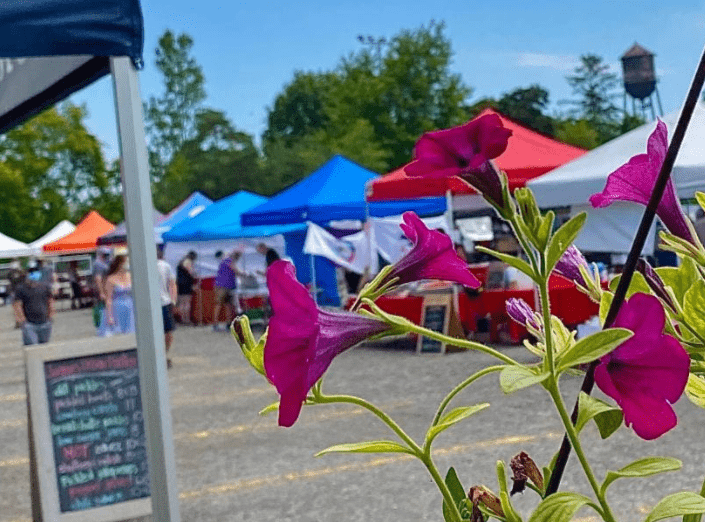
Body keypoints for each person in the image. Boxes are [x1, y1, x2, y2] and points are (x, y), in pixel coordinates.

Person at [13, 267, 54, 345]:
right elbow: (17, 305)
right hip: (29, 323)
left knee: (44, 346)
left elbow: (50, 301)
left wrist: (51, 315)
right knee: (32, 347)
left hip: (45, 322)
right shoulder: (21, 289)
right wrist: (22, 320)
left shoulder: (44, 287)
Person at [212, 251, 246, 331]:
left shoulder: (225, 260)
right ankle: (217, 324)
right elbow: (236, 270)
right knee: (221, 304)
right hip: (223, 286)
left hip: (225, 286)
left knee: (227, 305)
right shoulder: (229, 260)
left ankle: (226, 324)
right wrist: (244, 274)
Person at [157, 246, 177, 368]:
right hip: (158, 303)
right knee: (165, 332)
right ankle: (160, 356)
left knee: (168, 332)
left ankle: (163, 355)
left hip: (164, 302)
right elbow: (172, 284)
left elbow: (172, 284)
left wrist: (173, 300)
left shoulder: (165, 266)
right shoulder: (143, 265)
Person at [104, 254, 135, 335]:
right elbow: (109, 299)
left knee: (132, 332)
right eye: (126, 262)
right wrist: (109, 316)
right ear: (120, 263)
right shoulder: (110, 279)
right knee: (119, 333)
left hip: (131, 307)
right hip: (117, 308)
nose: (127, 264)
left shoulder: (131, 276)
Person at [176, 251, 197, 324]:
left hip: (179, 284)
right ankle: (186, 319)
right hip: (187, 284)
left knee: (181, 303)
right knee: (187, 303)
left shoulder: (180, 262)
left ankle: (182, 319)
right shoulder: (188, 262)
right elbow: (191, 273)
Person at [93, 248, 111, 334]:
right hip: (102, 289)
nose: (107, 256)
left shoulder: (105, 263)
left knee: (106, 307)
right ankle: (101, 328)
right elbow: (98, 279)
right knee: (101, 308)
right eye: (105, 254)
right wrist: (101, 292)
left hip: (107, 288)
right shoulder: (98, 264)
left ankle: (106, 326)